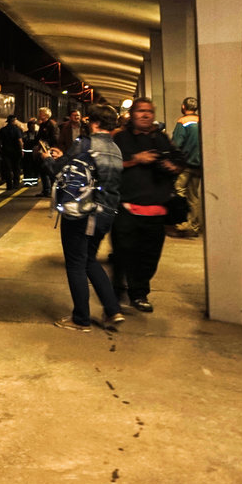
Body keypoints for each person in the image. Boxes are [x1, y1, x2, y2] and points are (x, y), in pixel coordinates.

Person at [44, 104, 125, 331]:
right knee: (89, 260)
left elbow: (59, 171)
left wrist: (47, 158)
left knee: (76, 264)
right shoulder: (115, 149)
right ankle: (112, 310)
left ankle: (80, 319)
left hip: (82, 213)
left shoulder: (85, 144)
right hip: (106, 214)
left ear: (94, 123)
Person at [110, 98, 185, 312]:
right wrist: (136, 159)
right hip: (126, 208)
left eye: (149, 112)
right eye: (141, 111)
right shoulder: (120, 138)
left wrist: (173, 166)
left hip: (156, 210)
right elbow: (108, 165)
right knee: (123, 253)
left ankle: (139, 294)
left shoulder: (161, 139)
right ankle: (116, 292)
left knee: (149, 256)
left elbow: (179, 161)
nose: (145, 115)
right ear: (131, 115)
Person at [170, 97, 202, 237]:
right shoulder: (201, 120)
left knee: (179, 191)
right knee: (194, 195)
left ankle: (181, 222)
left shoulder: (183, 121)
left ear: (183, 107)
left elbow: (176, 144)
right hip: (199, 164)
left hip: (185, 164)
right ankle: (194, 226)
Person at [0, 114, 23, 189]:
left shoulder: (3, 130)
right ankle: (16, 184)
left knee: (7, 169)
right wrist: (22, 150)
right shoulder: (17, 130)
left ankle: (9, 185)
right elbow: (20, 141)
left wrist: (0, 150)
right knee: (16, 168)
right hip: (16, 152)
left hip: (6, 151)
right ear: (14, 121)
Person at [35, 107, 58, 196]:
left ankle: (52, 190)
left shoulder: (51, 125)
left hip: (49, 150)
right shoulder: (43, 125)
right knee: (43, 170)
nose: (39, 114)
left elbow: (55, 138)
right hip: (43, 150)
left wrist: (50, 147)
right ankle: (46, 190)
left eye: (40, 113)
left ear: (45, 115)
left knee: (49, 170)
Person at [22, 119, 41, 184]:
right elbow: (25, 141)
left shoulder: (37, 133)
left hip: (35, 154)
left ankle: (34, 181)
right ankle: (27, 182)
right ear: (28, 126)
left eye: (33, 125)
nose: (32, 126)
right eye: (31, 125)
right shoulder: (25, 134)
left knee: (35, 167)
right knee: (27, 168)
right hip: (28, 154)